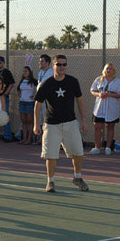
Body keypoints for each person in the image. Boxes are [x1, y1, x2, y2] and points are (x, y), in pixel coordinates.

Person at [33, 55, 89, 193]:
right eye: (59, 64)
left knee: (78, 153)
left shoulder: (73, 81)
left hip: (71, 124)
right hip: (52, 125)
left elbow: (80, 101)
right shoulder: (46, 83)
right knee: (51, 155)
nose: (62, 67)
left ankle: (77, 177)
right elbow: (38, 104)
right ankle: (50, 182)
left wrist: (84, 120)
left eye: (64, 64)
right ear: (53, 66)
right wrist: (36, 124)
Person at [88, 63, 120, 155]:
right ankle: (97, 147)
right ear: (104, 70)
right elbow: (92, 90)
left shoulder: (117, 81)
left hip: (112, 108)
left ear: (114, 71)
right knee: (97, 127)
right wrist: (99, 94)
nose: (109, 70)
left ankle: (108, 147)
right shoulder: (98, 79)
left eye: (111, 69)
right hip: (99, 108)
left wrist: (109, 95)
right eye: (107, 68)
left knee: (110, 126)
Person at [0, 56, 15, 142]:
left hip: (3, 98)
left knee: (4, 116)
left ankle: (7, 136)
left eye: (0, 62)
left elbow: (11, 84)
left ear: (4, 63)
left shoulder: (7, 73)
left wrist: (5, 94)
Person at [35, 54, 54, 145]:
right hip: (41, 100)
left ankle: (49, 139)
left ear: (48, 63)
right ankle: (43, 138)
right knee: (42, 119)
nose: (40, 63)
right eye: (40, 61)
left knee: (48, 119)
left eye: (42, 61)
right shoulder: (40, 73)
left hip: (48, 100)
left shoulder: (51, 72)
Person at [16, 66, 37, 145]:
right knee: (24, 122)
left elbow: (40, 88)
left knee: (30, 122)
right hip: (22, 102)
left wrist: (35, 96)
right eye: (23, 71)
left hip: (30, 103)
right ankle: (24, 138)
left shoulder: (33, 81)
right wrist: (20, 96)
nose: (24, 72)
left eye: (26, 71)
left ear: (30, 72)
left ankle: (29, 139)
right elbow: (18, 89)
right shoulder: (22, 81)